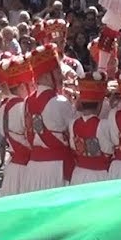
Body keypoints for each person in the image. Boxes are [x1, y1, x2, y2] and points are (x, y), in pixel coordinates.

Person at [22, 43, 76, 192]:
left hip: (34, 167)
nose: (61, 75)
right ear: (46, 75)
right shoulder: (60, 102)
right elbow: (74, 133)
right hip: (57, 167)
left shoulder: (27, 101)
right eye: (57, 70)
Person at [0, 53, 34, 197]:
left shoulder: (3, 107)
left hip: (12, 166)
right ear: (22, 86)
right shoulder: (23, 107)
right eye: (31, 84)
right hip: (26, 167)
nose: (33, 88)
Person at [68, 70, 112, 186]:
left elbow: (73, 148)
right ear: (100, 104)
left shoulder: (73, 124)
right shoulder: (103, 125)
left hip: (78, 175)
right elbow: (109, 151)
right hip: (100, 176)